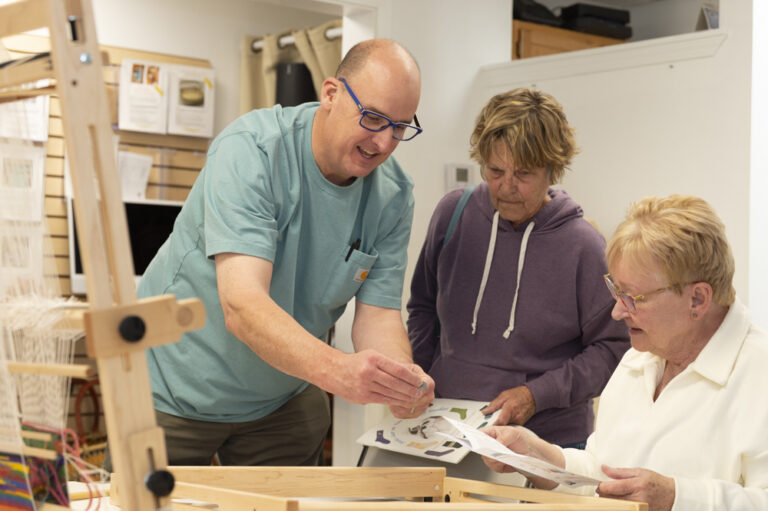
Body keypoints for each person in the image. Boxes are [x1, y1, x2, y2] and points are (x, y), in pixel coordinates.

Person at [136, 38, 435, 467]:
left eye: (401, 127)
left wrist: (399, 382)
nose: (385, 143)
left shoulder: (393, 196)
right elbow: (243, 306)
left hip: (281, 395)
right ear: (330, 94)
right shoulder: (252, 152)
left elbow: (378, 314)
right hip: (174, 384)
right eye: (373, 118)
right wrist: (338, 372)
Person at [482, 194, 768, 510]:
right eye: (616, 291)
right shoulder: (640, 358)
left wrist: (678, 498)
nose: (617, 312)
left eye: (633, 297)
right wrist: (538, 456)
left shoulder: (758, 373)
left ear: (697, 299)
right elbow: (603, 476)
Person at [407, 88, 630, 449]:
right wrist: (424, 375)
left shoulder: (584, 246)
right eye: (496, 170)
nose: (506, 187)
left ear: (552, 171)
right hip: (447, 434)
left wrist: (535, 394)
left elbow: (613, 349)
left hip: (547, 443)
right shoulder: (453, 214)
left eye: (523, 174)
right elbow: (421, 309)